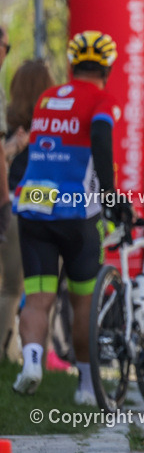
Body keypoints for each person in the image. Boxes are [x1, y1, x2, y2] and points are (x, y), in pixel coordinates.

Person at [11, 31, 132, 405]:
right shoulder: (103, 100)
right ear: (107, 67)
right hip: (76, 211)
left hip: (33, 207)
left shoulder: (49, 97)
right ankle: (84, 386)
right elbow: (99, 133)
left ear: (73, 64)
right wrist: (111, 196)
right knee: (82, 303)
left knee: (37, 299)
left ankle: (31, 361)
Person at [0, 50, 40, 360]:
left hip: (12, 201)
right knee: (17, 289)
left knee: (10, 289)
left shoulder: (10, 120)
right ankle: (8, 356)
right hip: (20, 205)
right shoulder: (48, 127)